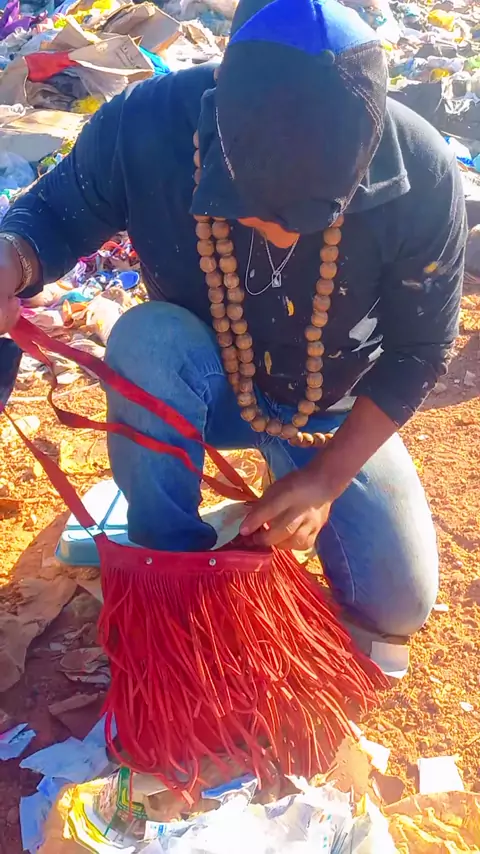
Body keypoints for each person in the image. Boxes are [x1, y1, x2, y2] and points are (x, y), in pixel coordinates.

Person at [0, 0, 467, 648]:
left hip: (328, 411)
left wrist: (327, 478)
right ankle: (168, 560)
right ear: (218, 112)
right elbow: (51, 216)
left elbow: (421, 351)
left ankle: (282, 485)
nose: (279, 235)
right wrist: (12, 262)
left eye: (310, 216)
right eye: (254, 208)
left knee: (398, 604)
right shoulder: (147, 124)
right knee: (147, 340)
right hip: (204, 385)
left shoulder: (422, 173)